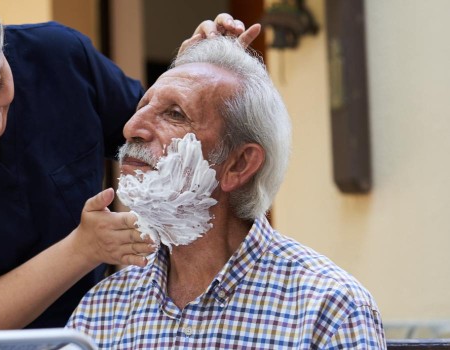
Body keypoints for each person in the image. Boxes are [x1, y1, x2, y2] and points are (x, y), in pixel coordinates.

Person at [0, 0, 258, 348]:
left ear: (0, 40)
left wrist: (189, 80)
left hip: (71, 333)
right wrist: (82, 248)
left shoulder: (60, 57)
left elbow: (154, 139)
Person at [67, 36, 387, 349]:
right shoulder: (102, 310)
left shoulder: (329, 309)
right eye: (142, 106)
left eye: (175, 114)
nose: (131, 127)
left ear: (239, 164)